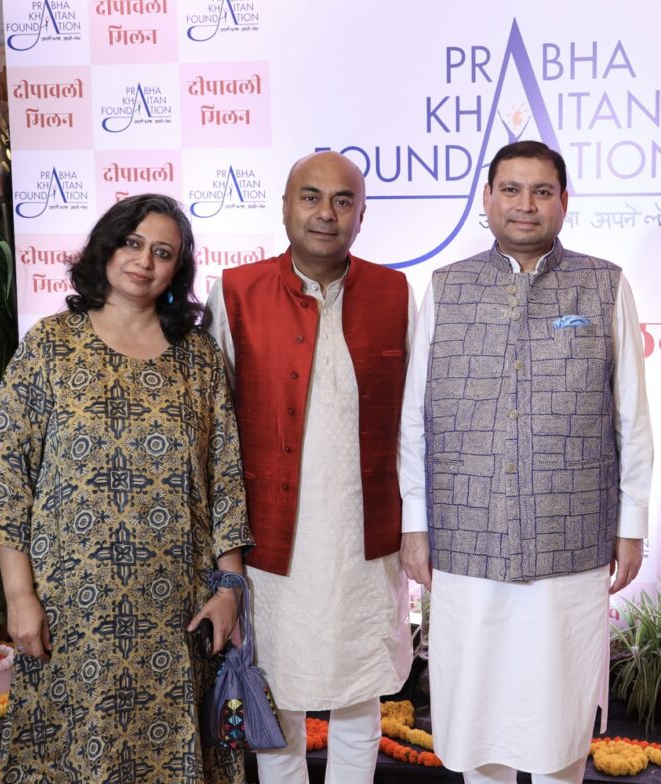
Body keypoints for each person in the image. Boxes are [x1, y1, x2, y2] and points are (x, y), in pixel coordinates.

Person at [399, 140, 653, 784]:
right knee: (476, 714)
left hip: (569, 540)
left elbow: (630, 416)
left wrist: (631, 525)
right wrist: (415, 523)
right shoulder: (447, 288)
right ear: (486, 200)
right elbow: (415, 418)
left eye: (542, 191)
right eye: (510, 189)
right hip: (465, 538)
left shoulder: (603, 284)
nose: (525, 204)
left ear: (564, 202)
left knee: (558, 715)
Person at [0, 194, 254, 784]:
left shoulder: (198, 359)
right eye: (132, 243)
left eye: (163, 252)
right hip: (72, 607)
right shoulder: (50, 345)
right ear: (106, 246)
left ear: (177, 270)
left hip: (178, 609)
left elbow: (225, 476)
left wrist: (229, 589)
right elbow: (6, 474)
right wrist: (19, 595)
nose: (143, 261)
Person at [207, 150, 415, 784]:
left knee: (360, 694)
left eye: (343, 200)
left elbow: (415, 418)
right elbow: (215, 425)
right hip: (274, 540)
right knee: (280, 696)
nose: (326, 213)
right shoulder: (236, 291)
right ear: (285, 207)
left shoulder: (395, 290)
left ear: (361, 215)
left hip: (366, 535)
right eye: (310, 197)